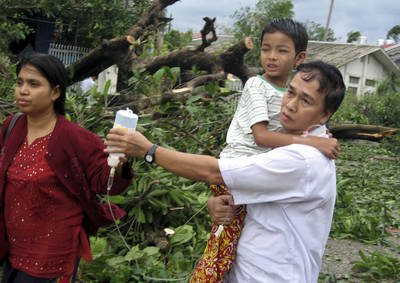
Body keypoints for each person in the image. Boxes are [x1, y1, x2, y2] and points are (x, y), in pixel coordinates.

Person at [105, 61, 346, 283]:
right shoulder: (301, 144)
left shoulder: (301, 159)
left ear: (325, 115)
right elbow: (260, 193)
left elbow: (214, 172)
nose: (291, 105)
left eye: (305, 101)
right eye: (290, 92)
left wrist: (149, 150)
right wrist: (222, 203)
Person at [195, 18, 339, 282]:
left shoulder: (289, 91)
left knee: (229, 241)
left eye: (282, 50)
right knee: (222, 245)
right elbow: (261, 136)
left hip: (255, 174)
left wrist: (319, 135)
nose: (271, 57)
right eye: (265, 48)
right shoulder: (256, 85)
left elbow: (295, 133)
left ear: (300, 57)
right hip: (237, 166)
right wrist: (313, 142)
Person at [0, 54, 133, 283]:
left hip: (50, 255)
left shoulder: (76, 138)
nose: (23, 90)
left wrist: (118, 165)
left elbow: (104, 182)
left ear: (55, 92)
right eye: (20, 82)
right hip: (11, 247)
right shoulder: (11, 126)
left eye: (34, 84)